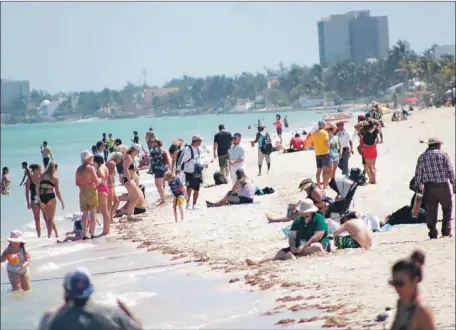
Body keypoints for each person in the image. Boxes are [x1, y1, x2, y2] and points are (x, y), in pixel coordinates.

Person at [38, 267, 142, 330]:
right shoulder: (113, 313)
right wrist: (127, 312)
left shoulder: (57, 321)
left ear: (67, 291)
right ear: (91, 288)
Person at [245, 199, 330, 266]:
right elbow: (292, 236)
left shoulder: (319, 218)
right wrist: (292, 245)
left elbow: (318, 235)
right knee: (279, 253)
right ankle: (258, 261)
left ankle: (293, 256)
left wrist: (304, 246)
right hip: (299, 246)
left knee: (317, 246)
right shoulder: (298, 220)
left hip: (315, 244)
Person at [413, 137, 455, 239]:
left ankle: (432, 232)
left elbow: (418, 174)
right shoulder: (443, 154)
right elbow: (450, 170)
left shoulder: (422, 157)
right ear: (437, 145)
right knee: (447, 208)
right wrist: (454, 183)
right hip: (443, 186)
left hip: (429, 187)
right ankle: (446, 231)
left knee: (431, 210)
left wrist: (418, 187)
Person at [390, 251, 436, 330]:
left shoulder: (421, 310)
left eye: (400, 284)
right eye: (394, 283)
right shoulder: (402, 301)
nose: (396, 288)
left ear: (414, 281)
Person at [76, 150, 101, 239]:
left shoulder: (78, 169)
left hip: (83, 193)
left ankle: (84, 234)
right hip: (91, 192)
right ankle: (93, 234)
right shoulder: (90, 168)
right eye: (91, 157)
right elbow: (97, 181)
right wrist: (100, 180)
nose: (92, 158)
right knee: (93, 214)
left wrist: (85, 184)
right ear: (87, 158)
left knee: (84, 215)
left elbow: (77, 183)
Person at [177, 135, 206, 210]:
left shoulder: (199, 148)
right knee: (189, 188)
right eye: (200, 141)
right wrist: (178, 168)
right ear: (196, 141)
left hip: (197, 171)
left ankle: (194, 204)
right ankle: (187, 203)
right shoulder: (187, 149)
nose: (201, 142)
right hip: (189, 171)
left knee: (197, 189)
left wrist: (205, 163)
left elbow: (203, 157)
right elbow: (181, 159)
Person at [37, 162, 64, 238]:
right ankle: (49, 236)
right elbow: (57, 191)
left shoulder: (41, 176)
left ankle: (56, 234)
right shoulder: (55, 178)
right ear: (55, 168)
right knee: (51, 218)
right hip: (50, 197)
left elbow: (37, 188)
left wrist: (39, 200)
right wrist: (61, 201)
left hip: (42, 197)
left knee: (49, 218)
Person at [122, 144, 146, 220]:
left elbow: (130, 169)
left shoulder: (131, 157)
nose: (137, 153)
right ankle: (130, 215)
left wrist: (135, 170)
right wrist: (129, 180)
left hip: (130, 178)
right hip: (128, 179)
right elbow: (125, 169)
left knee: (133, 198)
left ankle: (130, 214)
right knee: (136, 197)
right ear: (135, 150)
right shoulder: (128, 156)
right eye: (138, 151)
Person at [355, 118, 381, 184]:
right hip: (374, 149)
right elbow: (379, 124)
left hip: (367, 150)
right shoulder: (375, 130)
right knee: (373, 167)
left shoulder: (364, 131)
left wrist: (362, 123)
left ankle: (373, 181)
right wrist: (372, 120)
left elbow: (355, 126)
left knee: (370, 168)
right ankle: (373, 179)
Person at [25, 164, 47, 237]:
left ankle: (49, 233)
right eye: (39, 170)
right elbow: (27, 192)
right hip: (34, 201)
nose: (40, 171)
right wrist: (28, 202)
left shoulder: (42, 178)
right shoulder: (29, 180)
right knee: (37, 219)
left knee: (46, 217)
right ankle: (39, 235)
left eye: (41, 170)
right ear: (34, 170)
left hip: (43, 200)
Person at [310, 120, 330, 188]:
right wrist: (330, 149)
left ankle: (318, 185)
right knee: (325, 171)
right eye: (324, 125)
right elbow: (327, 143)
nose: (325, 126)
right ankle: (324, 185)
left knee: (318, 171)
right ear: (322, 125)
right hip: (325, 153)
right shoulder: (325, 132)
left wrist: (317, 147)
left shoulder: (314, 133)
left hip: (317, 154)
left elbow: (312, 144)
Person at [94, 155, 110, 236]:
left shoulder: (100, 168)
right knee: (104, 211)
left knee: (104, 212)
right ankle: (106, 230)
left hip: (101, 190)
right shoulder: (105, 167)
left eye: (94, 162)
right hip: (104, 189)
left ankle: (105, 231)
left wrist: (98, 182)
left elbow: (103, 177)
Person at [149, 138, 170, 205]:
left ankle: (163, 200)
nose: (151, 143)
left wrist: (151, 169)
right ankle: (163, 198)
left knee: (158, 185)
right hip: (163, 168)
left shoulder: (155, 150)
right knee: (162, 184)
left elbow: (154, 161)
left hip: (158, 169)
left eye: (152, 142)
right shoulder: (162, 149)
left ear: (156, 143)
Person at [106, 152, 122, 224]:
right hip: (109, 185)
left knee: (116, 201)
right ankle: (108, 221)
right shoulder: (112, 163)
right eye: (120, 158)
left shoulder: (111, 162)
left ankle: (110, 218)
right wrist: (111, 185)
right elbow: (109, 175)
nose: (121, 160)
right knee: (110, 204)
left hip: (111, 185)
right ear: (117, 158)